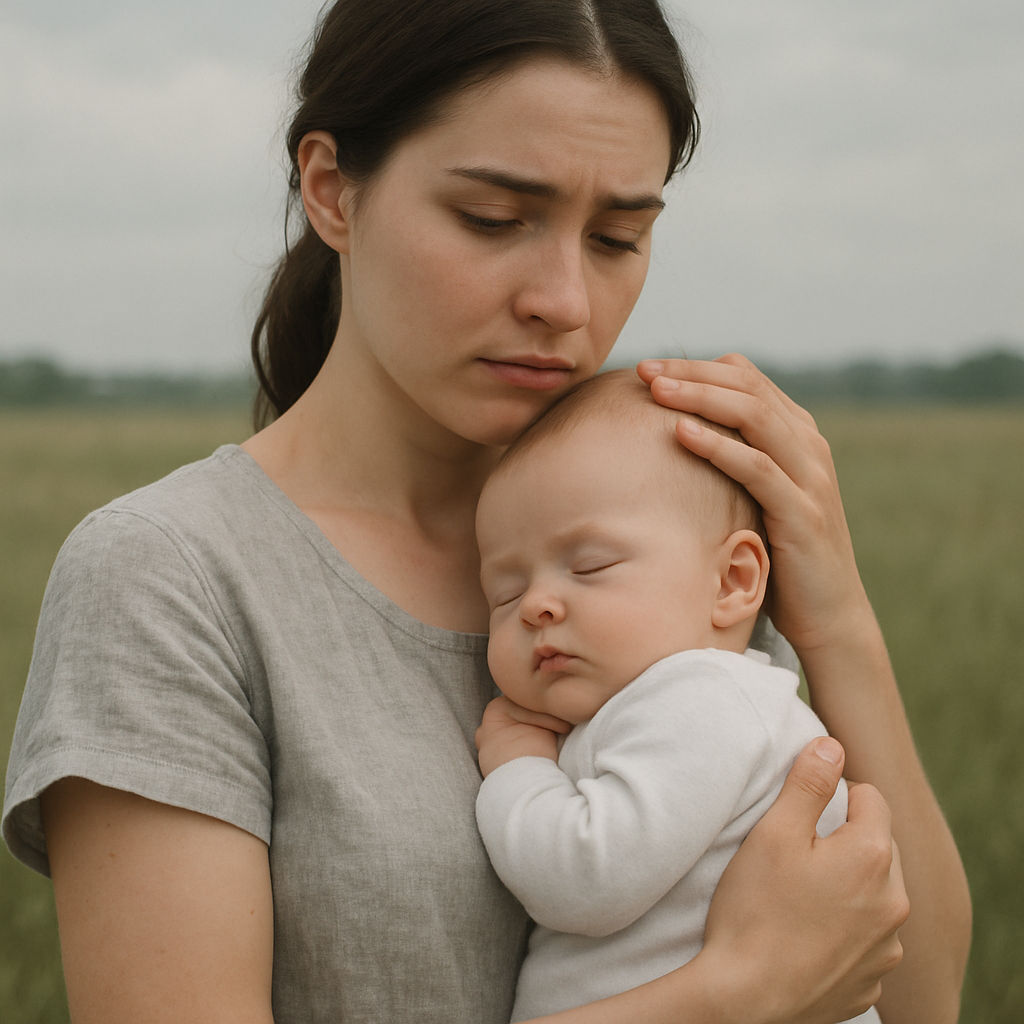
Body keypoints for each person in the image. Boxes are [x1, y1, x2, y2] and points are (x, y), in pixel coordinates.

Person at [1, 1, 968, 1022]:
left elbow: (919, 1001)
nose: (564, 300)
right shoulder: (172, 578)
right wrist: (739, 993)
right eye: (494, 219)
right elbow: (791, 976)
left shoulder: (662, 538)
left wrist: (836, 621)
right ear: (330, 189)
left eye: (617, 237)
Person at [473, 368, 880, 1022]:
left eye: (590, 566)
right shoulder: (672, 702)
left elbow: (586, 876)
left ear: (732, 581)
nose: (536, 605)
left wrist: (518, 768)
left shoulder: (704, 700)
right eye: (505, 592)